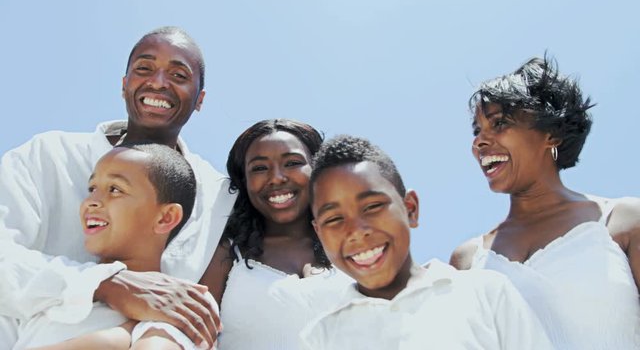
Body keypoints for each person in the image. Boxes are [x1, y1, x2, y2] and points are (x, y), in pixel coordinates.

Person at [0, 26, 235, 349]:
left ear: (200, 99)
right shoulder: (48, 155)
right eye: (144, 68)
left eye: (179, 75)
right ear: (124, 85)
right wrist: (106, 283)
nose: (158, 82)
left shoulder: (219, 197)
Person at [450, 56, 640, 349]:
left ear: (551, 135)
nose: (479, 142)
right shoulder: (467, 259)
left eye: (499, 123)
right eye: (477, 130)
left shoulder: (623, 219)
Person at [300, 135, 553, 349]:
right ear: (319, 233)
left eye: (373, 206)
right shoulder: (320, 338)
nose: (356, 231)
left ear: (410, 209)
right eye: (334, 219)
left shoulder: (485, 293)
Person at [17, 143, 213, 349]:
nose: (91, 202)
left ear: (166, 217)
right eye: (92, 189)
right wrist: (121, 335)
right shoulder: (53, 290)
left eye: (115, 189)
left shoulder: (182, 300)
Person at [199, 119, 351, 350]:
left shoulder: (354, 249)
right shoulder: (226, 253)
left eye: (292, 163)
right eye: (259, 168)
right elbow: (190, 335)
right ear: (244, 181)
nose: (277, 177)